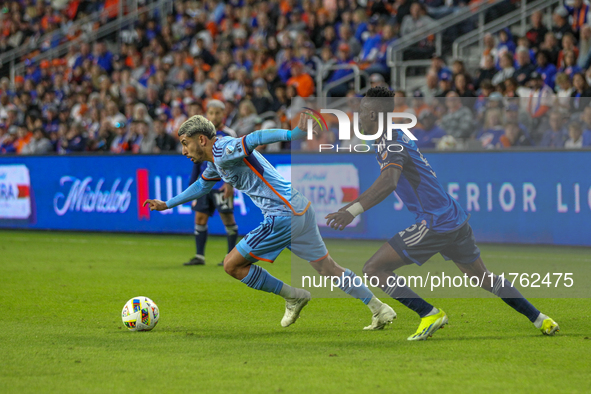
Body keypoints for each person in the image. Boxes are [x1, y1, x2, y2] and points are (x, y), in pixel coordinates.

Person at [325, 87, 559, 341]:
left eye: (362, 111)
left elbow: (389, 182)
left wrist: (354, 210)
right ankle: (540, 319)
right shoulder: (393, 137)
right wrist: (350, 207)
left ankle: (429, 313)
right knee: (485, 278)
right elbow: (386, 180)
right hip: (452, 217)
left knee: (373, 269)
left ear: (375, 115)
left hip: (435, 221)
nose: (358, 116)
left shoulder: (390, 142)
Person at [143, 113, 395, 329]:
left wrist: (293, 134)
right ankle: (379, 308)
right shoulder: (216, 163)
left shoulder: (222, 148)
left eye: (186, 144)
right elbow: (201, 186)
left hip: (282, 215)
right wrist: (167, 204)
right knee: (327, 268)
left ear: (201, 139)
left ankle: (294, 297)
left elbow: (253, 139)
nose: (184, 150)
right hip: (300, 209)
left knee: (232, 265)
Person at [184, 100, 239, 266]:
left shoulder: (229, 133)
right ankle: (199, 256)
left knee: (227, 219)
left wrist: (230, 184)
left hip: (221, 184)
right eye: (211, 113)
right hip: (203, 183)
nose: (214, 116)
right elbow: (196, 160)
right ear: (206, 114)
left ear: (223, 114)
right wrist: (191, 185)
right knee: (200, 218)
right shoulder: (200, 135)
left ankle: (230, 256)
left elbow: (235, 160)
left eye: (218, 113)